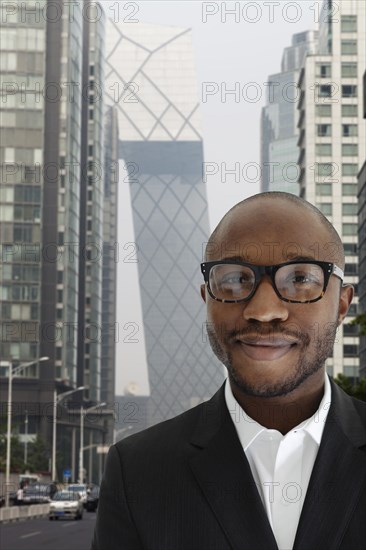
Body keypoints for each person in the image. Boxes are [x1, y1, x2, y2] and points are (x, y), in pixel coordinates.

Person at [92, 192, 366, 550]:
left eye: (300, 279)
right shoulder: (138, 471)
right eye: (235, 279)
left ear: (342, 303)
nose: (264, 310)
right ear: (207, 299)